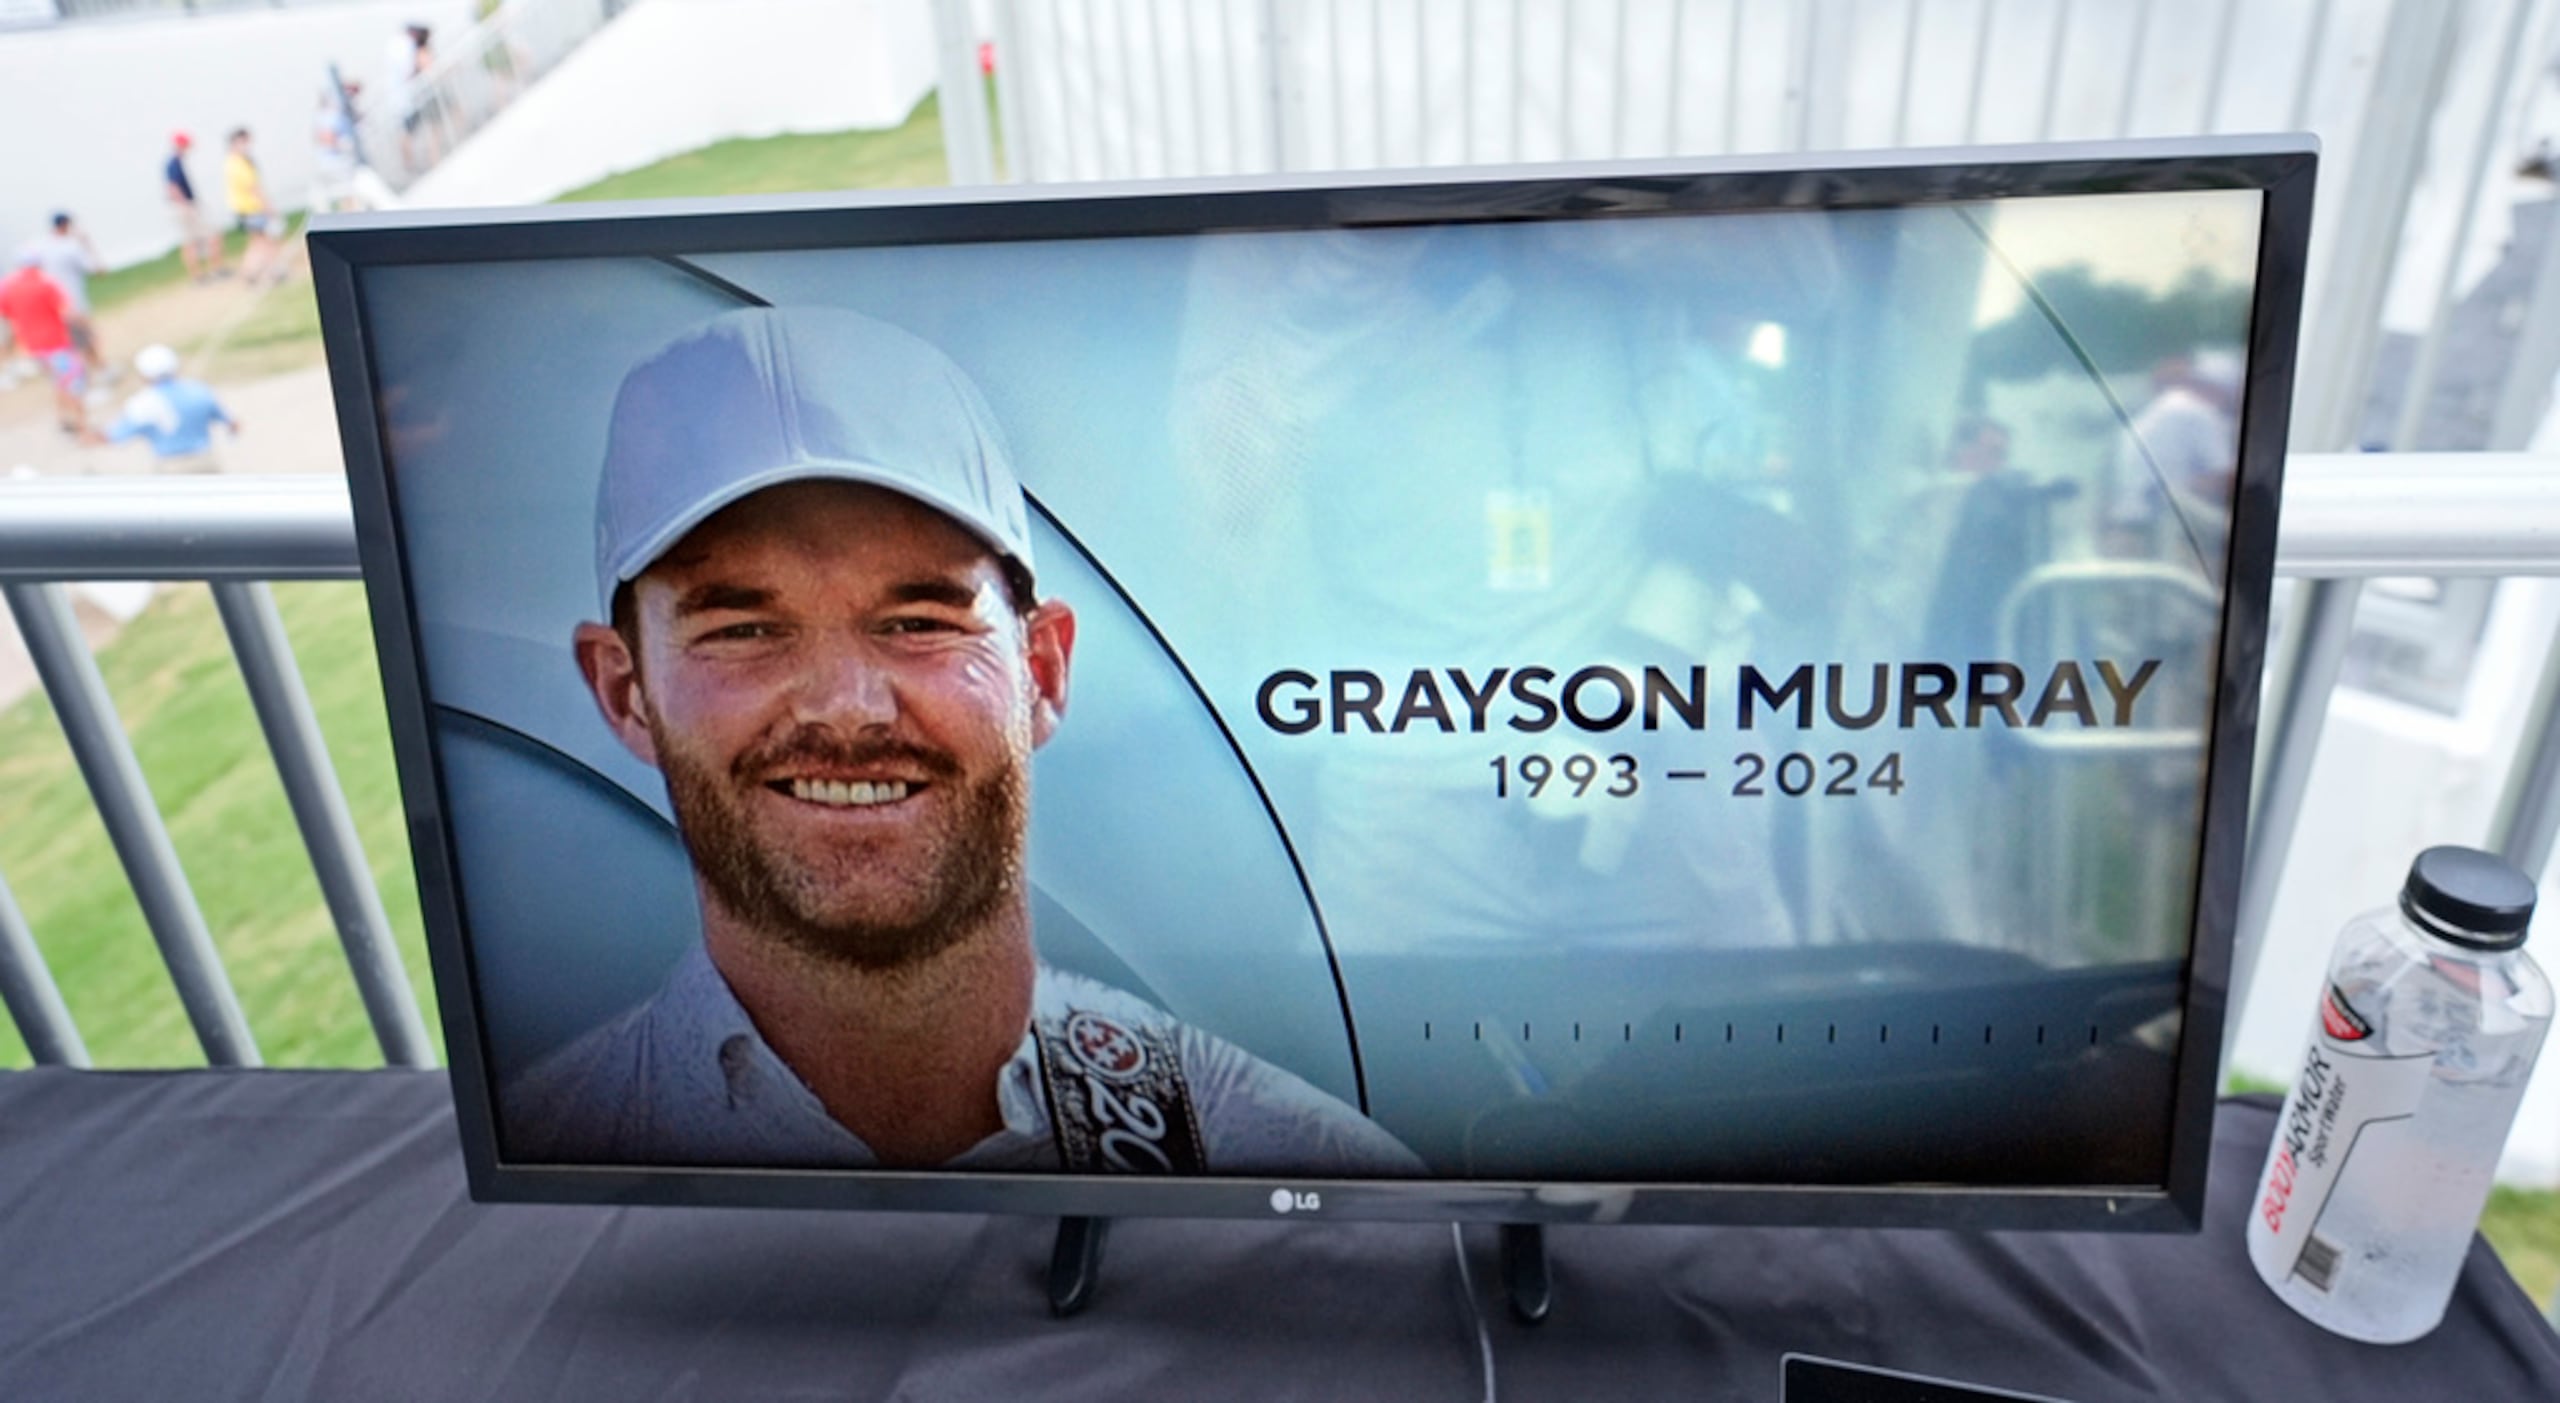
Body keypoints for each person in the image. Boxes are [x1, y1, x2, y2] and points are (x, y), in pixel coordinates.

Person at [509, 306, 1422, 1177]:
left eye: (916, 620)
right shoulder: (552, 1160)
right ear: (625, 692)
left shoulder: (1294, 1163)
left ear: (1044, 670)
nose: (849, 707)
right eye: (745, 630)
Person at [93, 344, 237, 473]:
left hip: (170, 468)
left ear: (143, 375)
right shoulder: (199, 390)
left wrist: (85, 432)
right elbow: (232, 424)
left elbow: (113, 437)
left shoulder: (142, 403)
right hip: (204, 462)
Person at [0, 252, 89, 435]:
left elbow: (6, 313)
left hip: (33, 347)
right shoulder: (46, 283)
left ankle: (62, 418)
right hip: (56, 345)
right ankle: (82, 427)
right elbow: (68, 312)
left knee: (59, 381)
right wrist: (86, 328)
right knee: (72, 383)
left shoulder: (8, 286)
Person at [31, 212, 105, 370]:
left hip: (51, 303)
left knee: (68, 340)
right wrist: (87, 244)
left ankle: (84, 369)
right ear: (66, 225)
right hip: (74, 301)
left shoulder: (40, 246)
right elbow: (98, 270)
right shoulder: (70, 247)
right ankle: (98, 368)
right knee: (87, 337)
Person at [223, 128, 285, 285]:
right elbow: (253, 188)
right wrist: (268, 207)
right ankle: (273, 271)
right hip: (252, 209)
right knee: (266, 241)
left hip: (243, 209)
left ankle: (250, 272)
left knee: (257, 241)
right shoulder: (239, 164)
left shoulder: (231, 162)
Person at [163, 132, 225, 282]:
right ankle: (211, 271)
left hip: (184, 206)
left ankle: (202, 274)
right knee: (205, 237)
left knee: (193, 241)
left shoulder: (176, 162)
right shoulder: (174, 163)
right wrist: (186, 206)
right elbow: (172, 187)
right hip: (185, 207)